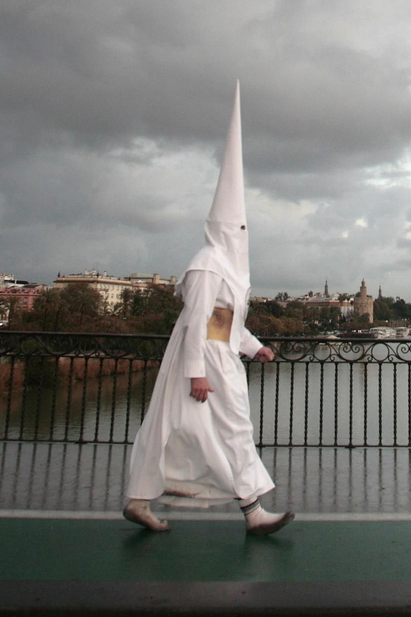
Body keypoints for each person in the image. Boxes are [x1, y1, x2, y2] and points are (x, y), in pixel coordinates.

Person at [122, 82, 293, 536]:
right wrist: (196, 372)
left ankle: (141, 499)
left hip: (220, 357)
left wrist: (254, 347)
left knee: (174, 427)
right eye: (236, 227)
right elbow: (199, 320)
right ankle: (253, 513)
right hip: (203, 362)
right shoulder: (206, 266)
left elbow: (229, 322)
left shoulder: (230, 271)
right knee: (213, 427)